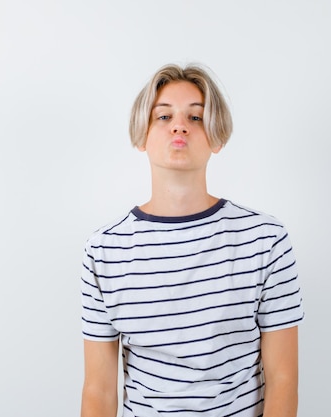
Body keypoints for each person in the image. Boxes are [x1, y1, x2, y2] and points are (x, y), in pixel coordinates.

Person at [80, 63, 304, 417]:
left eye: (196, 117)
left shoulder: (264, 240)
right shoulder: (105, 249)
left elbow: (283, 377)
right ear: (141, 135)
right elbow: (98, 389)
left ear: (217, 136)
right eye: (163, 116)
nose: (180, 126)